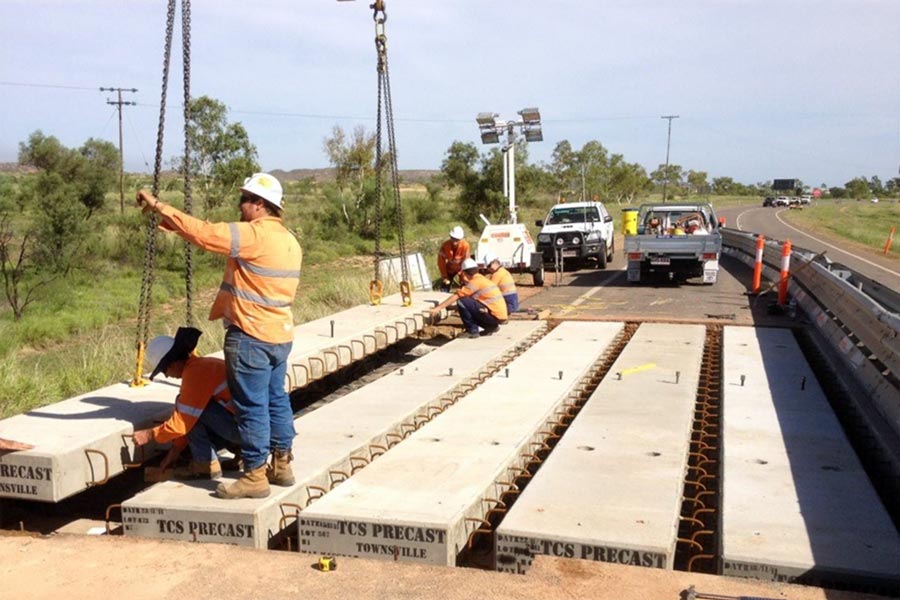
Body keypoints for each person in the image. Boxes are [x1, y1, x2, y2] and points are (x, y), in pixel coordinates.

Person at [136, 173, 302, 500]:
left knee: (251, 406)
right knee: (276, 399)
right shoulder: (289, 241)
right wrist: (177, 227)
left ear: (259, 204)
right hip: (280, 334)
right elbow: (205, 235)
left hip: (250, 334)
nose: (240, 206)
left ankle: (254, 475)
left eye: (244, 200)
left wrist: (159, 207)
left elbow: (206, 233)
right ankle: (281, 464)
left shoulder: (254, 234)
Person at [132, 327, 240, 481]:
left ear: (173, 364)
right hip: (254, 429)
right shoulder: (203, 365)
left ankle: (205, 463)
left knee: (190, 409)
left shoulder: (195, 374)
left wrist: (150, 434)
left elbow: (183, 422)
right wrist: (175, 451)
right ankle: (241, 452)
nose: (167, 376)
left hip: (244, 431)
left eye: (164, 371)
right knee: (190, 408)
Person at [430, 258, 507, 338]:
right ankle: (491, 327)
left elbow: (457, 296)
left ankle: (472, 331)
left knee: (461, 301)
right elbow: (472, 306)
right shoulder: (481, 279)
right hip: (499, 317)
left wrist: (437, 308)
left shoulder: (475, 282)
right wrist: (452, 307)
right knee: (465, 301)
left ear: (464, 273)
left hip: (494, 317)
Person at [437, 226, 470, 292]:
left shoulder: (465, 245)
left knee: (465, 286)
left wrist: (463, 273)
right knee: (445, 286)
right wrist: (444, 275)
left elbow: (467, 261)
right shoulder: (445, 245)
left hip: (461, 268)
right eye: (453, 238)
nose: (454, 242)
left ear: (460, 239)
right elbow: (441, 262)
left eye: (457, 240)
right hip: (450, 269)